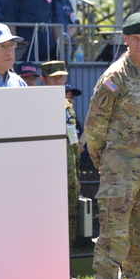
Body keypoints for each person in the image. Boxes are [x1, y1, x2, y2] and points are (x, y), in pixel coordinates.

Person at [84, 12, 140, 279]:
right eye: (135, 39)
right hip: (119, 174)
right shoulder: (115, 76)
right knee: (113, 244)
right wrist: (105, 165)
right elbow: (94, 129)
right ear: (126, 39)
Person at [40, 60, 81, 246]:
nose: (59, 82)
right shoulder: (36, 105)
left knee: (70, 218)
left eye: (61, 78)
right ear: (43, 80)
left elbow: (73, 142)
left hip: (69, 173)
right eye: (54, 79)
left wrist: (77, 175)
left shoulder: (67, 106)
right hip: (46, 175)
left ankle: (67, 267)